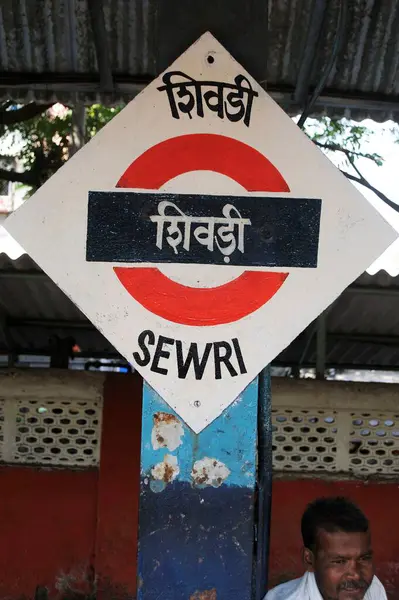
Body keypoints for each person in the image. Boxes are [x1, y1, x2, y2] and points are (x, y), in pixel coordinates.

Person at [265, 496, 387, 600]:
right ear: (309, 560)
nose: (355, 574)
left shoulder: (373, 588)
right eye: (340, 562)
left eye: (363, 559)